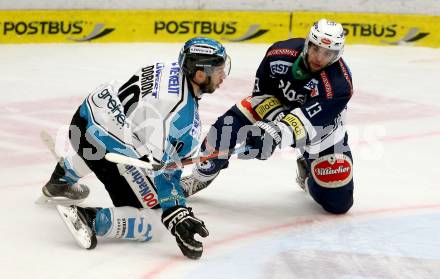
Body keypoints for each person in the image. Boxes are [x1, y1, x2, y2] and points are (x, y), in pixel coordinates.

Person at [39, 37, 231, 260]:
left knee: (119, 142)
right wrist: (176, 213)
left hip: (84, 118)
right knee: (155, 219)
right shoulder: (182, 117)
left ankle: (61, 180)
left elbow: (143, 123)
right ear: (199, 74)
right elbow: (165, 173)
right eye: (219, 70)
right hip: (105, 150)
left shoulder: (167, 67)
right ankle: (89, 218)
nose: (223, 76)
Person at [181, 19, 354, 214]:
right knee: (227, 126)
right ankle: (201, 175)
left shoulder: (339, 85)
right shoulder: (279, 54)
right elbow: (261, 96)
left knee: (338, 204)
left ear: (337, 55)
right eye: (316, 49)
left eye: (328, 54)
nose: (319, 58)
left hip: (321, 132)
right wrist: (271, 122)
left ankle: (308, 173)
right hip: (277, 109)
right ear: (308, 43)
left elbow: (306, 122)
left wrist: (273, 132)